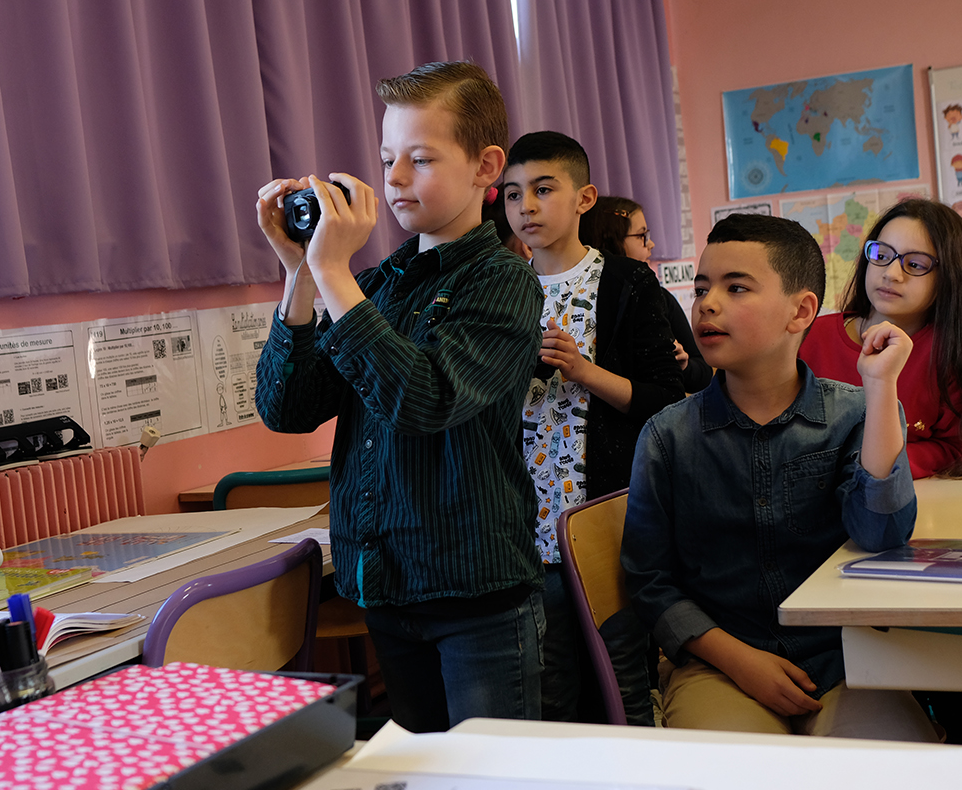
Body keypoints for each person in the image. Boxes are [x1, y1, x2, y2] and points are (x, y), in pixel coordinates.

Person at [253, 60, 545, 732]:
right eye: (388, 159)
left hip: (478, 597)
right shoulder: (381, 283)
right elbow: (287, 407)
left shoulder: (503, 282)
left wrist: (332, 271)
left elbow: (423, 400)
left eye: (420, 158)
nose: (395, 179)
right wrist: (301, 272)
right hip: (387, 589)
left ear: (485, 167)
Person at [623, 213, 933, 740]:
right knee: (737, 782)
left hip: (844, 662)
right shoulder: (667, 435)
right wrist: (741, 661)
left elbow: (881, 534)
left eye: (736, 287)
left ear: (801, 311)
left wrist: (881, 388)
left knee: (891, 774)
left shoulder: (856, 413)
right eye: (701, 289)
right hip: (721, 665)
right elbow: (650, 582)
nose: (707, 304)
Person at [500, 132, 683, 724]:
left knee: (624, 679)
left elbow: (665, 397)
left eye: (542, 189)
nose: (525, 206)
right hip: (524, 532)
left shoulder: (626, 284)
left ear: (584, 199)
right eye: (511, 194)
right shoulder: (501, 291)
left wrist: (584, 371)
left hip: (606, 520)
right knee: (551, 689)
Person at [800, 199, 962, 480]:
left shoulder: (951, 350)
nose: (891, 274)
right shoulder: (807, 337)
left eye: (915, 264)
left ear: (949, 277)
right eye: (882, 256)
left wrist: (874, 464)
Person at [581, 193, 713, 393]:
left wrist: (684, 365)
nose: (650, 244)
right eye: (642, 236)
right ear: (611, 240)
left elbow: (703, 374)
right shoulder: (584, 299)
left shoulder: (660, 298)